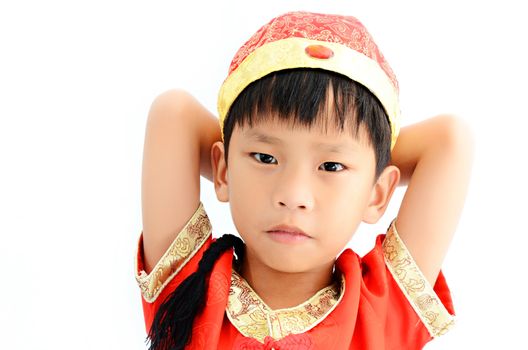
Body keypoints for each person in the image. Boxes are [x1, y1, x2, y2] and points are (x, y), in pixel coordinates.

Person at [135, 11, 474, 350]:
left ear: (378, 193)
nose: (293, 195)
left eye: (330, 166)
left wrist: (363, 164)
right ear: (222, 170)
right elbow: (173, 114)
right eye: (265, 158)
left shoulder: (381, 312)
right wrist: (349, 159)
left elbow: (449, 141)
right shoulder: (188, 294)